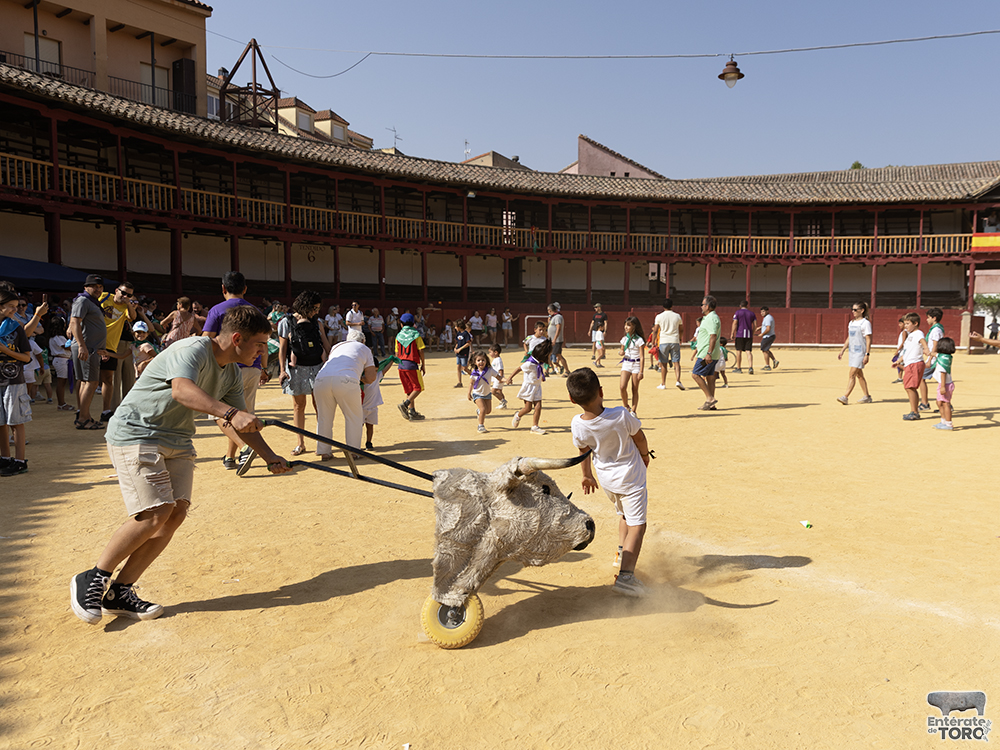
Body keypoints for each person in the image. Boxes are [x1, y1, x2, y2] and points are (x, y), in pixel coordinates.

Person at [69, 305, 292, 624]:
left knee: (174, 514)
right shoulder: (194, 348)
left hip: (177, 438)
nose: (262, 351)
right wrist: (230, 413)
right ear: (238, 338)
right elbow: (182, 390)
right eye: (259, 344)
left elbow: (237, 424)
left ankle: (120, 591)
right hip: (137, 431)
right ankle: (93, 577)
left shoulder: (229, 372)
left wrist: (271, 458)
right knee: (155, 512)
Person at [566, 367, 651, 597]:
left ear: (572, 399)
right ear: (601, 391)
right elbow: (640, 437)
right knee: (638, 525)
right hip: (631, 478)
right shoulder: (622, 415)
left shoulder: (577, 424)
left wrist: (586, 475)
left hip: (607, 480)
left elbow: (583, 450)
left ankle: (621, 554)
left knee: (624, 516)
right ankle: (626, 577)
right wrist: (645, 455)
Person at [202, 271, 270, 470]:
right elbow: (262, 343)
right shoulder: (255, 310)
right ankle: (230, 458)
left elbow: (206, 339)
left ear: (223, 288)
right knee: (241, 414)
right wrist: (264, 367)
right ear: (245, 289)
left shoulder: (217, 310)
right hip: (253, 367)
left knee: (221, 414)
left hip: (229, 369)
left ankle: (244, 447)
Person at [278, 291, 329, 456]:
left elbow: (326, 345)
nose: (316, 311)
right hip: (297, 367)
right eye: (314, 308)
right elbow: (283, 348)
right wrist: (282, 370)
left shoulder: (317, 323)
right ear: (306, 306)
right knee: (298, 406)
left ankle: (322, 443)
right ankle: (300, 443)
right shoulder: (286, 322)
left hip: (317, 366)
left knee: (319, 406)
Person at [313, 329, 376, 456]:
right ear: (363, 341)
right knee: (354, 417)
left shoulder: (336, 346)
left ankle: (324, 451)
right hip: (347, 380)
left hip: (321, 379)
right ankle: (353, 451)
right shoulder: (364, 348)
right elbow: (371, 377)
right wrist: (360, 377)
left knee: (324, 418)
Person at [68, 274, 109, 429]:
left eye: (100, 287)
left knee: (87, 382)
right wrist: (82, 345)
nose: (98, 289)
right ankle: (84, 418)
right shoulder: (83, 300)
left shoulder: (90, 301)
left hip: (91, 348)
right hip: (87, 348)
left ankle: (83, 416)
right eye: (94, 286)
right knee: (91, 382)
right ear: (86, 287)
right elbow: (74, 322)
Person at [0, 289, 33, 476]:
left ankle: (20, 461)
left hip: (14, 380)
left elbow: (26, 357)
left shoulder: (16, 328)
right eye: (11, 306)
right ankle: (5, 457)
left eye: (16, 306)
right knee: (0, 422)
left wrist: (5, 350)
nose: (15, 310)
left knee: (16, 421)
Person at [507, 338, 552, 435]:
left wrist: (541, 377)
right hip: (529, 387)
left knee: (538, 407)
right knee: (528, 408)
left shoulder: (540, 362)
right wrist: (510, 377)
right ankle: (518, 415)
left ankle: (535, 426)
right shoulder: (529, 363)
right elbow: (518, 369)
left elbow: (539, 370)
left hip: (537, 387)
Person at [837, 301, 874, 405]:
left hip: (860, 352)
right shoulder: (851, 322)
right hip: (852, 352)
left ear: (862, 311)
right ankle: (867, 396)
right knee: (859, 375)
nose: (853, 312)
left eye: (855, 310)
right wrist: (843, 349)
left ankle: (845, 397)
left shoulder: (865, 323)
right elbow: (850, 337)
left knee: (852, 374)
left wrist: (867, 354)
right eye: (852, 309)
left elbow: (868, 339)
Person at [691, 296, 722, 410]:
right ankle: (711, 404)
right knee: (709, 377)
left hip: (706, 353)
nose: (701, 307)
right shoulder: (710, 317)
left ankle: (709, 398)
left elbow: (713, 336)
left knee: (695, 374)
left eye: (703, 305)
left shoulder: (711, 318)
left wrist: (708, 352)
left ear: (707, 306)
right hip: (710, 352)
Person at [898, 312, 930, 421]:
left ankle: (914, 411)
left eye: (907, 323)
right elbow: (908, 350)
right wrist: (900, 359)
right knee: (909, 387)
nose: (905, 326)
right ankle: (914, 410)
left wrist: (926, 349)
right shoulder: (910, 335)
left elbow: (922, 341)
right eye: (905, 324)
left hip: (914, 363)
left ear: (915, 323)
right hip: (910, 363)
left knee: (910, 387)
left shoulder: (918, 333)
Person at [395, 312, 426, 421]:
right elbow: (421, 350)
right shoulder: (416, 335)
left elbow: (396, 353)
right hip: (411, 364)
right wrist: (423, 364)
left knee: (409, 390)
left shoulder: (398, 336)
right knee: (417, 388)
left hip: (401, 365)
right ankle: (405, 405)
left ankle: (412, 411)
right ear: (413, 323)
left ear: (401, 324)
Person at [652, 298, 684, 390]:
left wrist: (653, 342)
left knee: (663, 363)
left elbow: (655, 331)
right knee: (676, 362)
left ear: (663, 306)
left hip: (664, 341)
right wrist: (680, 338)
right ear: (672, 306)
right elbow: (681, 329)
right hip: (674, 340)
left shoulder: (659, 316)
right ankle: (678, 380)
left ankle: (663, 383)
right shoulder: (677, 316)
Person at [363, 356, 394, 450]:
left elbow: (385, 370)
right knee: (359, 427)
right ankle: (356, 443)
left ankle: (369, 442)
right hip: (361, 407)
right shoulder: (360, 379)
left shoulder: (377, 376)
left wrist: (391, 360)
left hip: (373, 407)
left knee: (370, 425)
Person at [467, 350, 500, 433]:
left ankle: (479, 412)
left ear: (486, 361)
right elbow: (471, 383)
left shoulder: (490, 370)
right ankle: (480, 425)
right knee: (483, 408)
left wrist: (506, 380)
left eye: (483, 360)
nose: (481, 362)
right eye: (478, 360)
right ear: (475, 362)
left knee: (488, 411)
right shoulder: (474, 373)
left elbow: (499, 377)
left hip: (487, 393)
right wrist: (469, 393)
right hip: (477, 394)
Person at [618, 316, 645, 415]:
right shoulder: (624, 339)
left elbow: (642, 357)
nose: (626, 327)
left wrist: (641, 371)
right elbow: (622, 350)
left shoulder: (639, 340)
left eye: (628, 325)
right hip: (627, 363)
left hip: (636, 365)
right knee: (622, 386)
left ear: (634, 326)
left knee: (634, 389)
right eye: (625, 325)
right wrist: (621, 352)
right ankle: (626, 406)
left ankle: (633, 411)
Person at [918, 308, 944, 412]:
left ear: (934, 318)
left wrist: (930, 359)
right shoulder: (937, 329)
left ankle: (924, 403)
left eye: (929, 317)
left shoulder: (935, 330)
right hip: (936, 359)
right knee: (942, 381)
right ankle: (947, 404)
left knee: (921, 378)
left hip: (934, 360)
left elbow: (935, 345)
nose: (927, 319)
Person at [48, 316, 73, 410]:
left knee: (62, 382)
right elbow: (67, 347)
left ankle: (61, 403)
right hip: (61, 360)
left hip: (62, 360)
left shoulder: (55, 337)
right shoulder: (58, 337)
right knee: (61, 382)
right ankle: (61, 404)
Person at [932, 337, 956, 430]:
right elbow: (936, 354)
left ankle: (948, 423)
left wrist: (942, 387)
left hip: (944, 384)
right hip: (944, 384)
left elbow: (943, 373)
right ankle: (943, 421)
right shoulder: (945, 357)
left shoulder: (943, 360)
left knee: (946, 403)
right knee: (939, 403)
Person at [730, 300, 756, 374]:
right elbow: (755, 325)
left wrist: (732, 333)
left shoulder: (737, 312)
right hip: (748, 334)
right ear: (747, 306)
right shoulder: (752, 313)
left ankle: (739, 368)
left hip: (740, 334)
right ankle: (750, 367)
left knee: (739, 351)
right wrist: (752, 333)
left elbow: (735, 323)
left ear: (740, 306)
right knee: (748, 351)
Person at [547, 303, 568, 376]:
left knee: (558, 355)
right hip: (552, 339)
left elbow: (558, 328)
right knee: (548, 354)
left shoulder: (557, 317)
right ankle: (547, 371)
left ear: (549, 310)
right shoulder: (553, 317)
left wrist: (554, 339)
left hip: (556, 340)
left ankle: (567, 371)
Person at [454, 319, 472, 388]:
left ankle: (477, 377)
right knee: (458, 367)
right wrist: (455, 348)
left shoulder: (465, 333)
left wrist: (460, 349)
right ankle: (459, 382)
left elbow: (468, 343)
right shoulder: (458, 333)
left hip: (464, 352)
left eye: (456, 326)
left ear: (459, 326)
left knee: (465, 368)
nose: (455, 328)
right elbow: (457, 342)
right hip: (458, 353)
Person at [488, 343, 507, 409]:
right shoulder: (495, 359)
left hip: (498, 379)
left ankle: (503, 401)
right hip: (496, 379)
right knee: (499, 391)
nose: (489, 354)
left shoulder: (498, 360)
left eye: (490, 352)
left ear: (496, 352)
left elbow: (500, 369)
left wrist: (500, 378)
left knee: (493, 391)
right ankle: (503, 404)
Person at [891, 317, 906, 383]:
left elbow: (903, 342)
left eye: (900, 323)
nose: (899, 325)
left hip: (902, 351)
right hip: (902, 351)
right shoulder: (903, 331)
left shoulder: (904, 332)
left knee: (898, 364)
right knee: (899, 364)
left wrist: (898, 350)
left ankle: (909, 374)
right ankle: (900, 378)